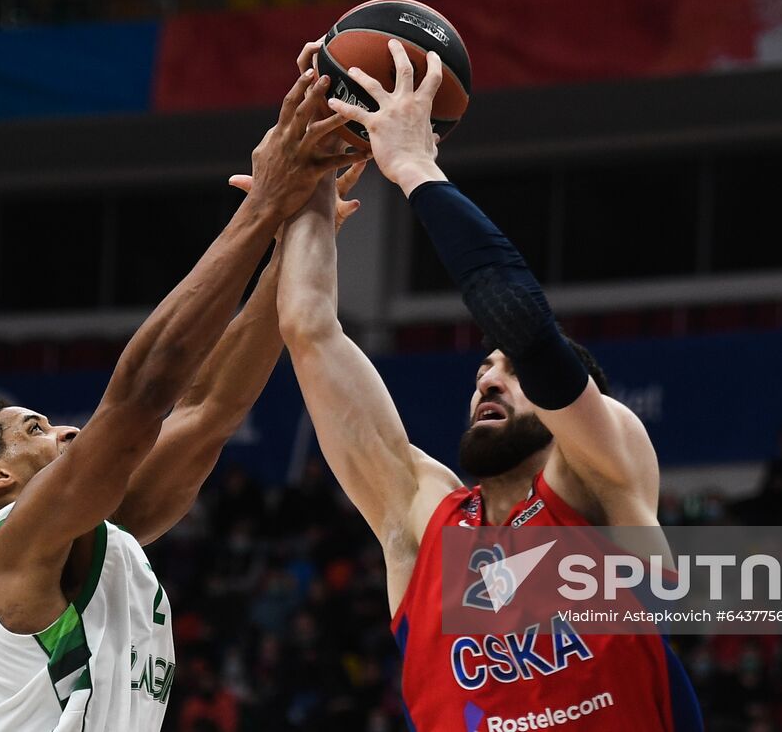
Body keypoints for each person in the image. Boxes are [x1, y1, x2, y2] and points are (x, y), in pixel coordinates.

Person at [278, 39, 702, 731]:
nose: (490, 376)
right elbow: (307, 328)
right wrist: (311, 179)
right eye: (483, 368)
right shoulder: (422, 516)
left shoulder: (602, 480)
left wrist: (414, 165)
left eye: (509, 372)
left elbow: (527, 329)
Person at [0, 68, 363, 731]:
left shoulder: (106, 533)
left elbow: (208, 409)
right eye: (35, 429)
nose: (67, 431)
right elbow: (141, 398)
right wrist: (264, 203)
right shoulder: (6, 544)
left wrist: (304, 226)